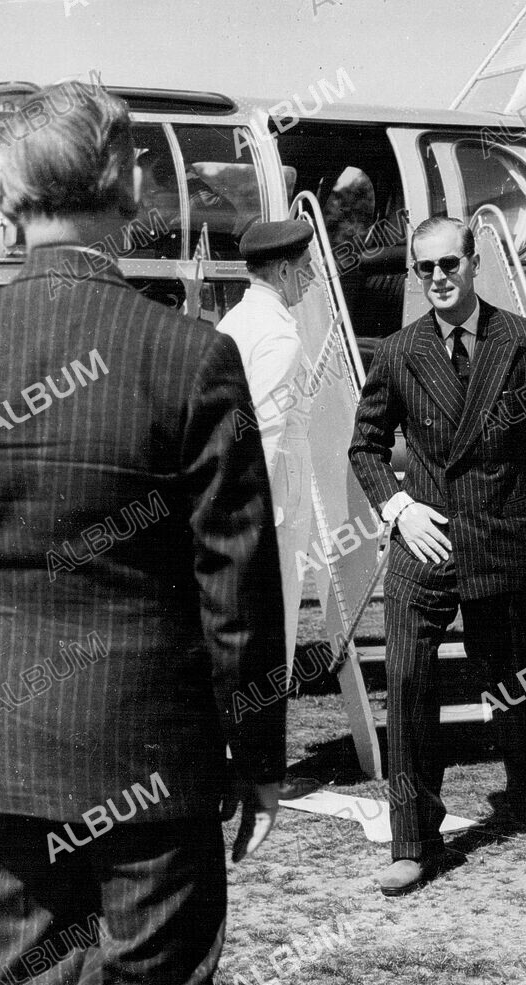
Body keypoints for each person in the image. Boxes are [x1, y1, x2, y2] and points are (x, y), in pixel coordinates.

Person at [0, 82, 286, 985]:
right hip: (151, 768)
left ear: (11, 195)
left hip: (6, 761)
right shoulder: (190, 354)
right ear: (125, 183)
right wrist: (259, 749)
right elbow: (234, 582)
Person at [349, 216, 526, 897]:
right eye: (422, 267)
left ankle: (521, 782)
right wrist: (397, 508)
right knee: (406, 683)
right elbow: (364, 446)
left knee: (512, 676)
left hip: (499, 536)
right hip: (424, 541)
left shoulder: (524, 342)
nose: (436, 278)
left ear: (473, 261)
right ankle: (411, 838)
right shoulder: (399, 351)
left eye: (447, 264)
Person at [218, 219, 316, 676]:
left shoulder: (234, 321)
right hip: (272, 507)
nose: (313, 275)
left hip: (231, 501)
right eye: (307, 266)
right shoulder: (280, 334)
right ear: (282, 272)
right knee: (275, 624)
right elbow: (266, 431)